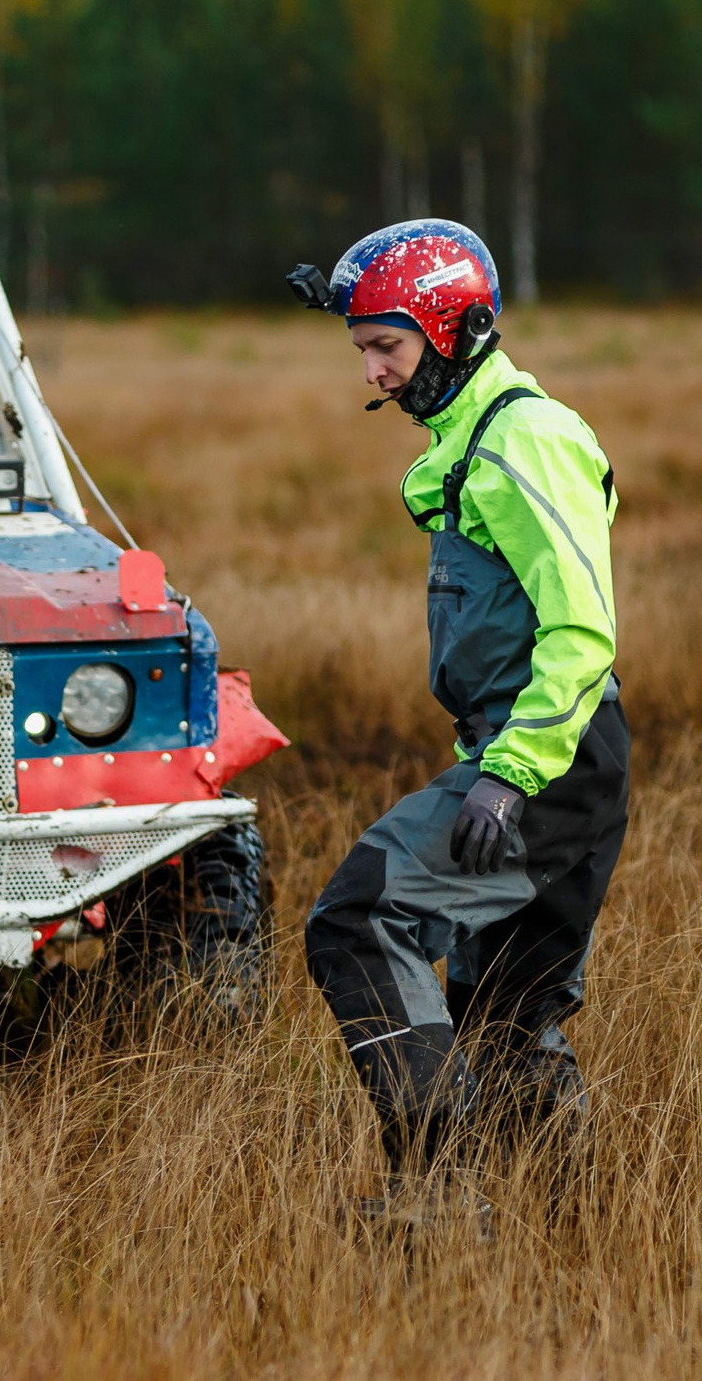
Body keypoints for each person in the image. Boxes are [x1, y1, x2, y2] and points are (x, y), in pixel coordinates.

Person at [286, 220, 629, 1203]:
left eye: (386, 345)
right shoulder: (473, 440)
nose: (373, 372)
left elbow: (581, 633)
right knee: (503, 1015)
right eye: (361, 348)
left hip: (551, 763)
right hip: (545, 759)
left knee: (358, 917)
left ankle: (435, 1193)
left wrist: (506, 778)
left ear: (457, 329)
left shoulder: (527, 439)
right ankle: (564, 1227)